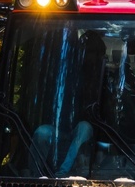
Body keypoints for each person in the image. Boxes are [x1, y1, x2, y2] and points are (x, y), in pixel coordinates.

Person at [30, 31, 107, 176]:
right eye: (87, 52)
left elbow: (107, 115)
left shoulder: (104, 80)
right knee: (42, 133)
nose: (90, 57)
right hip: (61, 128)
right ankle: (36, 177)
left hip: (87, 132)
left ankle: (62, 174)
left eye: (94, 53)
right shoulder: (66, 73)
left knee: (83, 127)